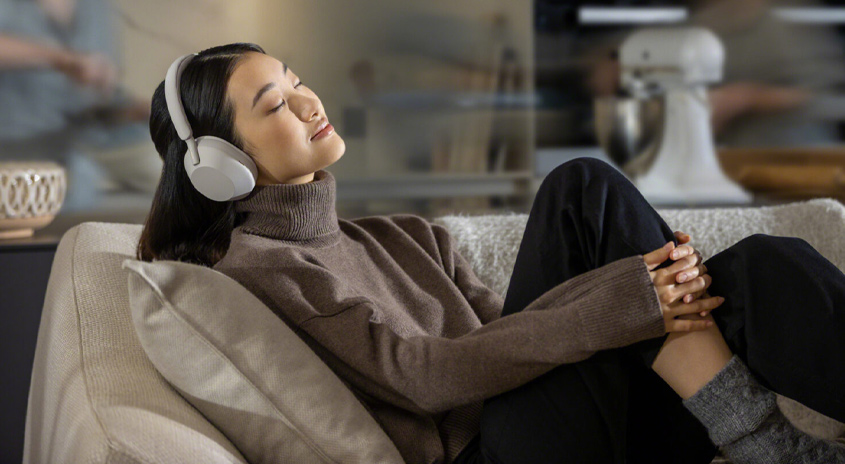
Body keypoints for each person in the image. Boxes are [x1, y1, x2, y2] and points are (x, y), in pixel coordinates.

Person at [136, 43, 845, 464]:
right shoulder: (263, 267)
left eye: (295, 81)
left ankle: (766, 445)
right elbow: (419, 376)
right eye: (273, 104)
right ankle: (761, 439)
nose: (307, 102)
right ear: (220, 166)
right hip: (493, 456)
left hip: (579, 432)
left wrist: (640, 293)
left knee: (757, 267)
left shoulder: (403, 235)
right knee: (581, 189)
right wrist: (624, 300)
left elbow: (511, 331)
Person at [0, 0, 157, 211]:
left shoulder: (96, 7)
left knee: (171, 165)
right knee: (78, 178)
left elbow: (102, 99)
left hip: (91, 135)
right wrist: (61, 59)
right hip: (23, 139)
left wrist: (136, 110)